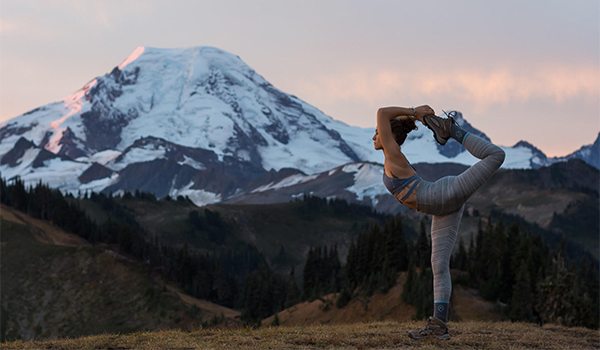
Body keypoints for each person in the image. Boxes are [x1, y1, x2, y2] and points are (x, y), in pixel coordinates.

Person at [373, 105, 506, 340]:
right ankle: (439, 326)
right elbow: (386, 119)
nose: (374, 136)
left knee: (496, 155)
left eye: (378, 132)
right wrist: (413, 117)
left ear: (388, 136)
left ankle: (452, 130)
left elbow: (383, 112)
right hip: (442, 208)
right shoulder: (390, 157)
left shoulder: (392, 153)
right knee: (439, 264)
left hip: (445, 194)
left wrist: (414, 112)